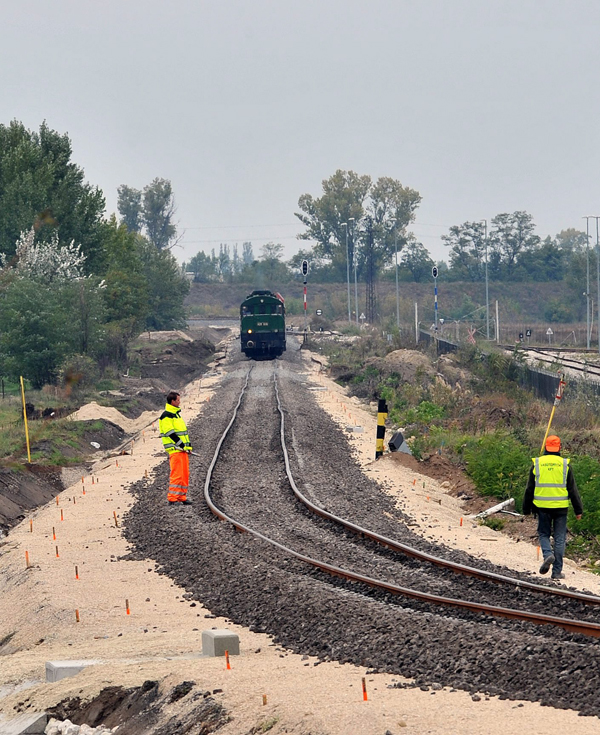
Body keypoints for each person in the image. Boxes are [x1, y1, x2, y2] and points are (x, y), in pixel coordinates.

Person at [523, 435, 582, 580]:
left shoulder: (537, 463)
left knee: (543, 534)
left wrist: (526, 509)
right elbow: (572, 490)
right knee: (560, 538)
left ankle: (548, 554)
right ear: (559, 448)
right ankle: (556, 572)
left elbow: (529, 489)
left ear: (545, 447)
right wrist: (578, 510)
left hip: (542, 507)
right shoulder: (564, 465)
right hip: (561, 508)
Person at [159, 390, 193, 505]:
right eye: (178, 400)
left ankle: (182, 497)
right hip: (176, 450)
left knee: (184, 474)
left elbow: (183, 433)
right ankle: (172, 498)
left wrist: (188, 446)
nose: (179, 402)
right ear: (172, 401)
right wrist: (182, 445)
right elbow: (170, 433)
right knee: (177, 474)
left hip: (182, 450)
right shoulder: (166, 416)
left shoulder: (176, 415)